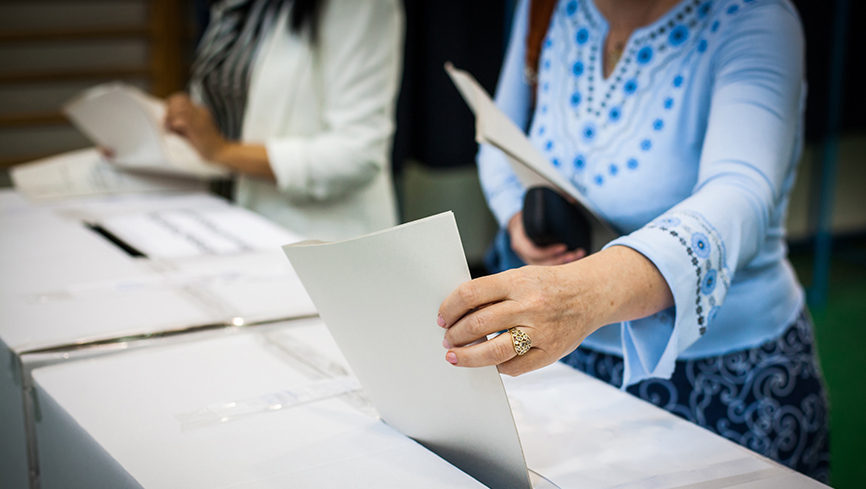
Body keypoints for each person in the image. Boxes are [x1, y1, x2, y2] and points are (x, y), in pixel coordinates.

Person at [438, 0, 829, 481]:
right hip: (566, 359)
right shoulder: (546, 8)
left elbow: (741, 192)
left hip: (719, 375)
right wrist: (518, 217)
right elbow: (497, 130)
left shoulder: (755, 17)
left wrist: (585, 293)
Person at [164, 0, 403, 242]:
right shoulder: (237, 7)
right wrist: (190, 118)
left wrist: (222, 151)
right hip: (228, 220)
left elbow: (358, 154)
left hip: (318, 237)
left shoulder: (359, 6)